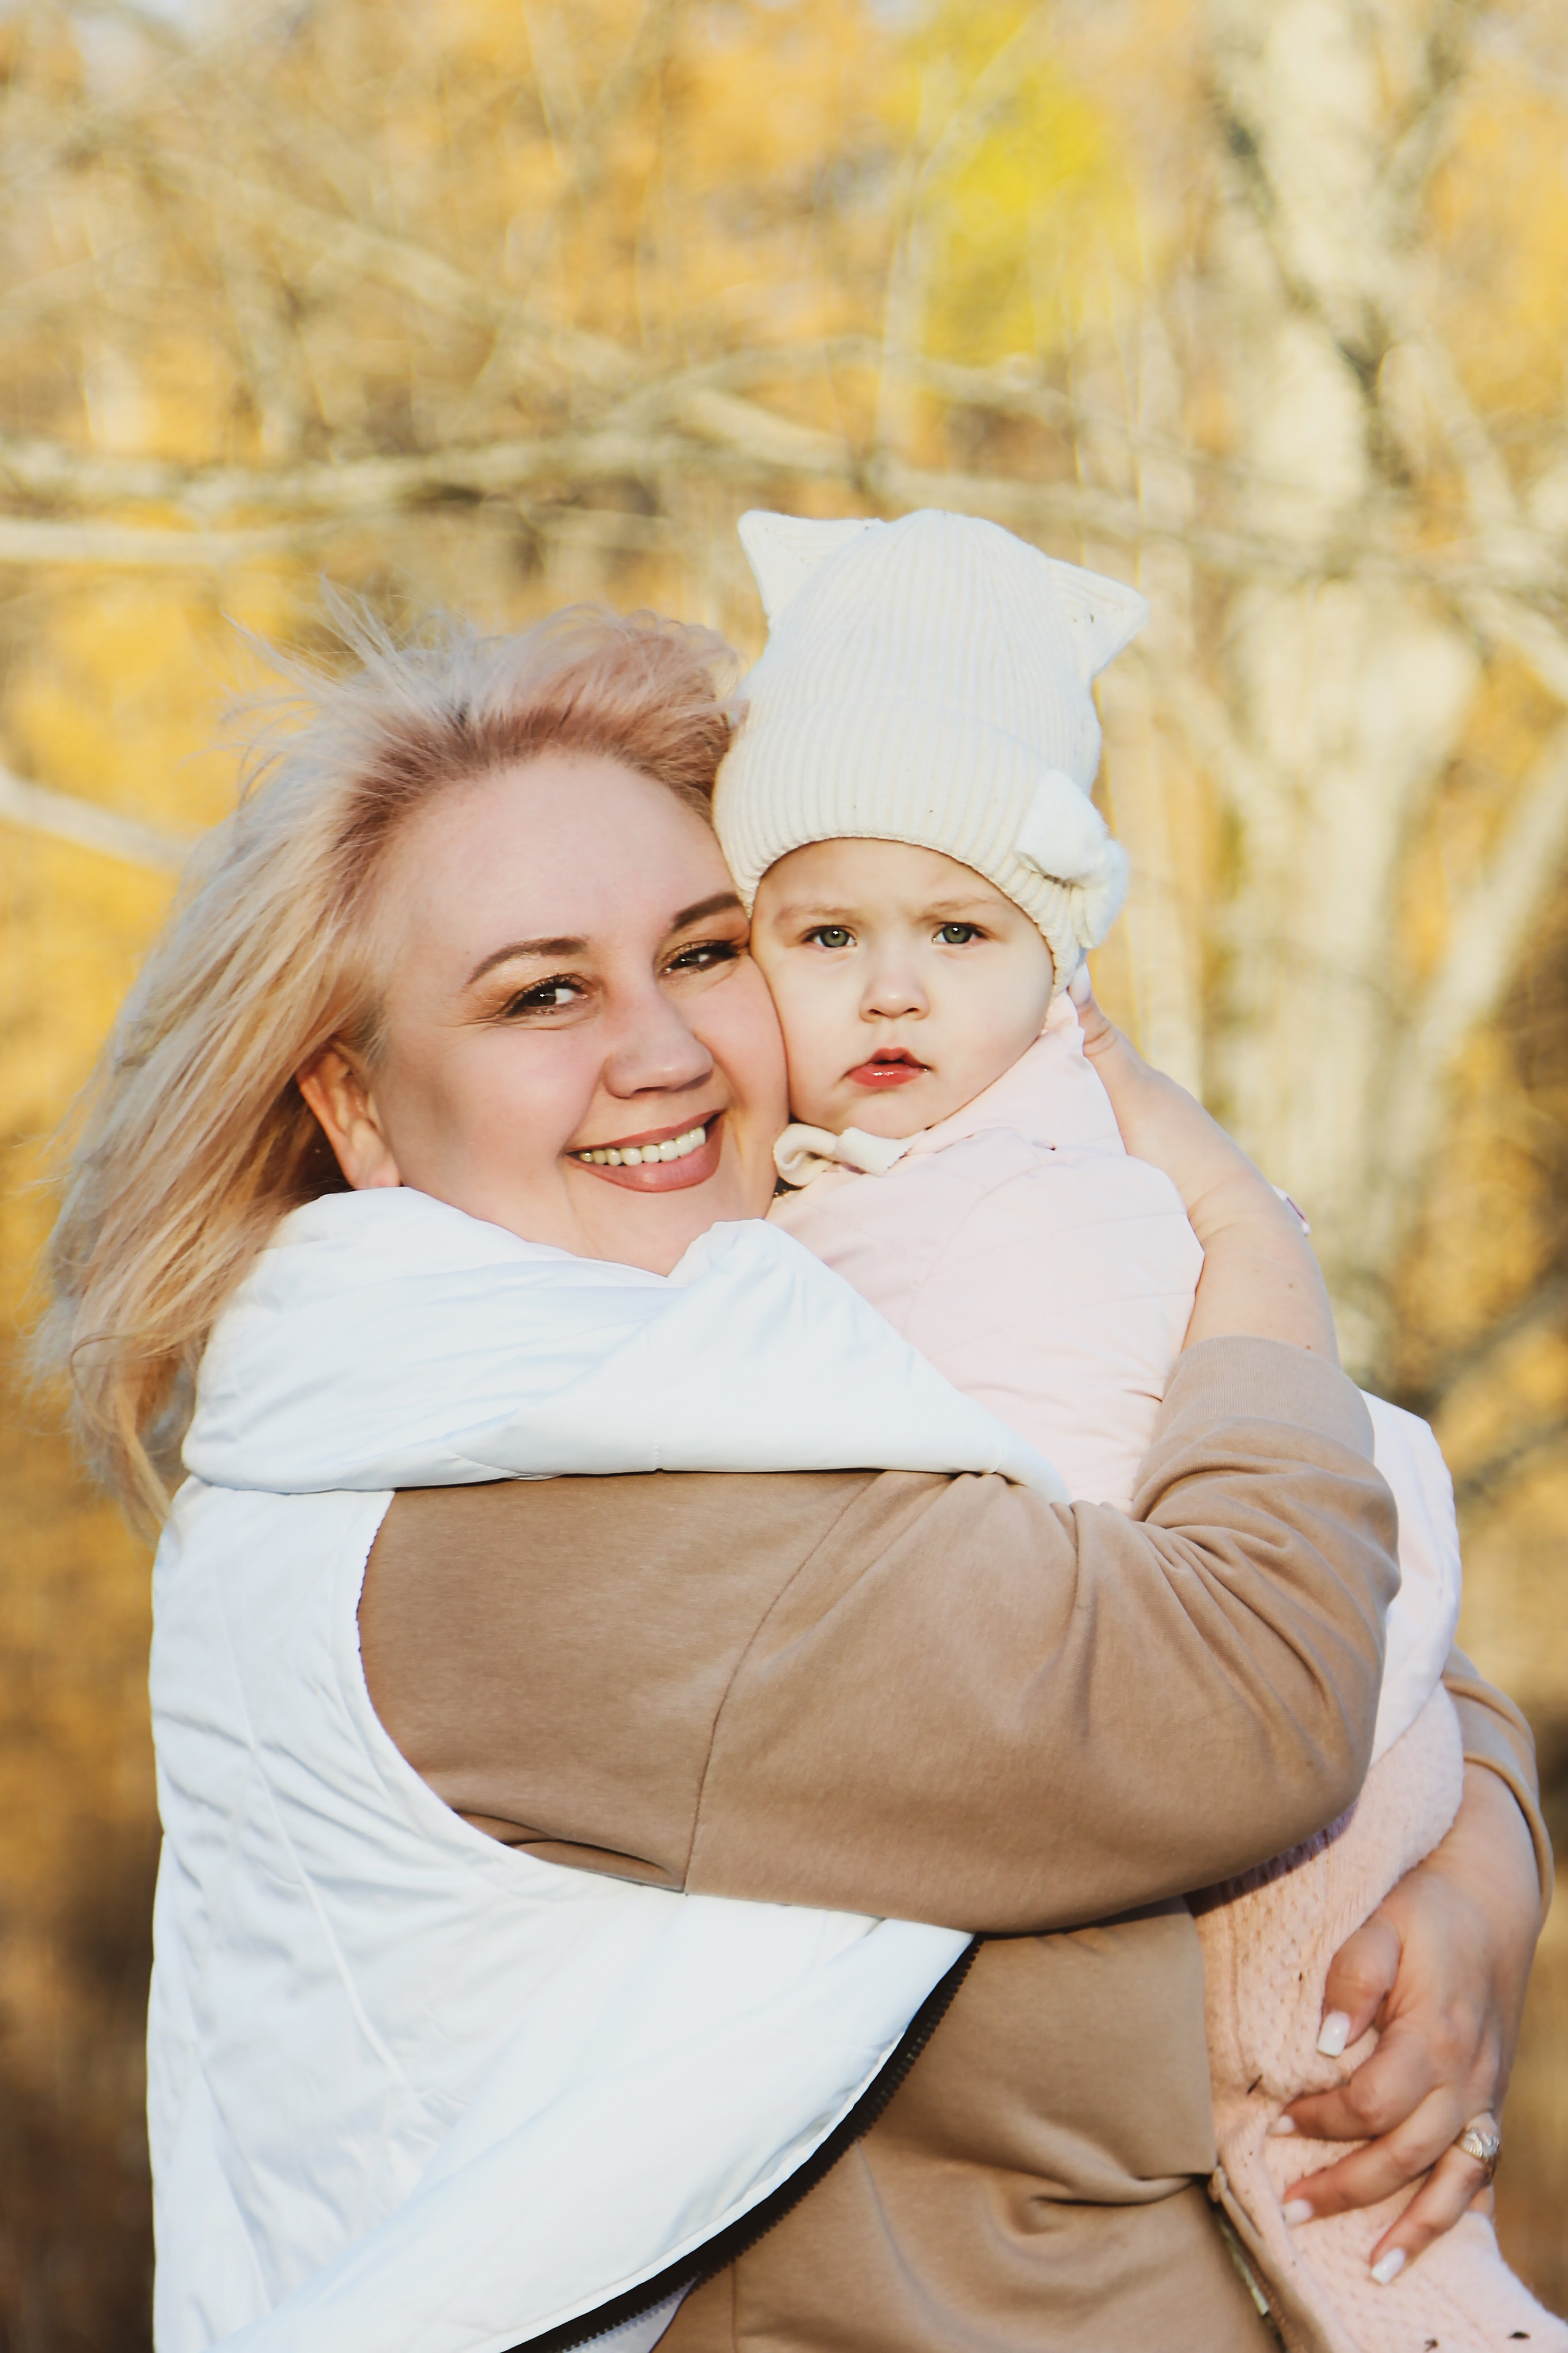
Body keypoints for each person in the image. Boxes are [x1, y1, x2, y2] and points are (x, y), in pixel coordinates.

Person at [37, 606, 1548, 2353]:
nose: (665, 1050)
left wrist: (1485, 1877)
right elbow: (1256, 1689)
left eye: (704, 951)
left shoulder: (720, 1356)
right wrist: (1238, 1221)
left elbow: (1352, 1606)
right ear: (358, 1104)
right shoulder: (525, 1529)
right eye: (545, 993)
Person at [717, 505, 1561, 2346]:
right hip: (1260, 1721)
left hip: (1298, 1744)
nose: (890, 986)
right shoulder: (834, 1192)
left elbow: (1128, 1573)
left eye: (959, 928)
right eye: (823, 931)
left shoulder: (1054, 1183)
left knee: (1324, 2126)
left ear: (1061, 964)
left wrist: (1489, 1866)